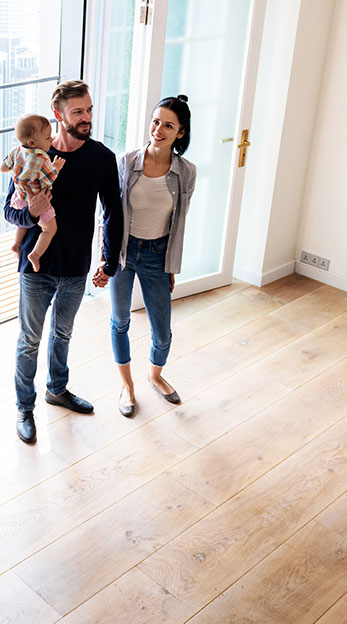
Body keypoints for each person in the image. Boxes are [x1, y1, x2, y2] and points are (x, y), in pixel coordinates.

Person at [3, 80, 123, 444]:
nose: (86, 118)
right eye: (78, 112)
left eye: (88, 110)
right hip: (36, 269)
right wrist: (32, 214)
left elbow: (113, 213)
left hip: (75, 268)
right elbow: (11, 211)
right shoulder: (31, 155)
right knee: (29, 340)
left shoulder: (102, 158)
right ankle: (25, 407)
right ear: (58, 115)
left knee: (63, 334)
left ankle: (57, 389)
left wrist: (109, 260)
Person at [110, 95, 197, 418]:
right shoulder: (127, 161)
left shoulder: (186, 172)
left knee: (162, 331)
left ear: (181, 133)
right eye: (156, 121)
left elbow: (180, 222)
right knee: (120, 321)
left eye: (168, 125)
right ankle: (127, 386)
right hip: (124, 251)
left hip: (157, 254)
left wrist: (171, 266)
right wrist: (106, 259)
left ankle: (155, 375)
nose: (158, 129)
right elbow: (111, 216)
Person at [1, 113, 66, 272]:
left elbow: (3, 168)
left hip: (19, 197)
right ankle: (35, 254)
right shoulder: (42, 160)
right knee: (49, 229)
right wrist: (56, 166)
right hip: (38, 201)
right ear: (32, 142)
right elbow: (50, 178)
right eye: (48, 138)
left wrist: (16, 171)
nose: (51, 140)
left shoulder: (16, 151)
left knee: (23, 222)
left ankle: (17, 244)